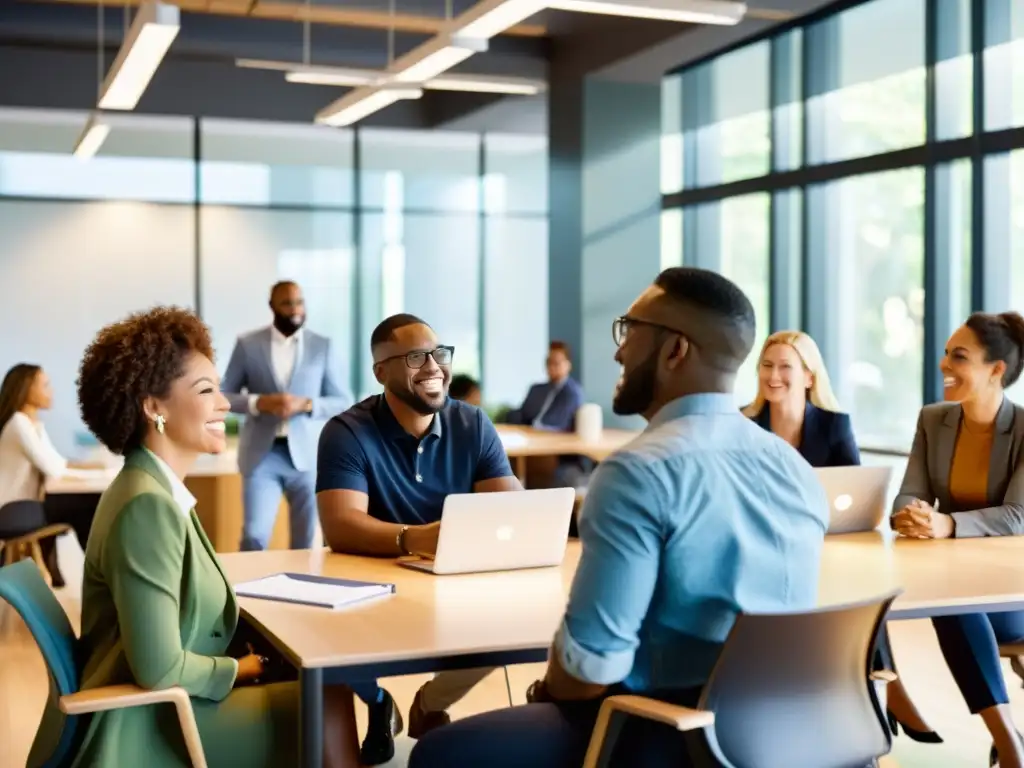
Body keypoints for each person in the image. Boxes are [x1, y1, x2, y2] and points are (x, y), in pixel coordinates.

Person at [407, 267, 829, 768]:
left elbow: (588, 671)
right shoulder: (795, 470)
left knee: (439, 754)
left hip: (660, 732)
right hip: (781, 730)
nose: (618, 351)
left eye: (629, 330)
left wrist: (548, 688)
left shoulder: (638, 472)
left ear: (675, 350)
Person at [27, 306, 361, 768]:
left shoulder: (154, 489)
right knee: (328, 700)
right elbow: (159, 667)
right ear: (153, 407)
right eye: (207, 391)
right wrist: (246, 667)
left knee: (323, 686)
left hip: (167, 705)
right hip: (153, 724)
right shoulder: (147, 505)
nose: (225, 403)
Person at [316, 313, 522, 766]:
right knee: (322, 644)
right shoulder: (347, 431)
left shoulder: (473, 424)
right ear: (381, 372)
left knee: (515, 623)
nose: (433, 367)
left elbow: (510, 512)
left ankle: (429, 704)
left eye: (438, 354)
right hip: (374, 583)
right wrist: (416, 538)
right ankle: (375, 699)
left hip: (454, 579)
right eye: (415, 357)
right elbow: (341, 524)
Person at [889, 311, 1024, 767]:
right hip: (957, 582)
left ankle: (1006, 742)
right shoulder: (934, 419)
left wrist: (948, 525)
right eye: (946, 354)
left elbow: (1018, 515)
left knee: (955, 605)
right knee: (951, 603)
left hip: (1013, 594)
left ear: (996, 370)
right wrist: (912, 513)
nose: (944, 364)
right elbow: (910, 490)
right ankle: (1009, 739)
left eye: (959, 357)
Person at [221, 280, 352, 551]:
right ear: (272, 306)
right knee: (255, 536)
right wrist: (260, 402)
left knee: (306, 541)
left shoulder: (322, 346)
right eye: (287, 303)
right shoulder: (247, 344)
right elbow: (223, 396)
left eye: (299, 302)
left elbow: (343, 401)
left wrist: (306, 404)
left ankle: (301, 590)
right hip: (262, 456)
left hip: (307, 458)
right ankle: (246, 592)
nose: (295, 309)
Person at [0, 363, 90, 586]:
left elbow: (57, 463)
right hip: (11, 511)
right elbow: (54, 469)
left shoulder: (31, 425)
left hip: (21, 507)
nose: (51, 392)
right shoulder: (18, 424)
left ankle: (95, 575)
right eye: (45, 385)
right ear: (26, 388)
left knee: (83, 505)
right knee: (86, 506)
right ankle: (101, 577)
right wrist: (91, 477)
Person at [742, 330, 860, 467]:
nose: (773, 376)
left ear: (809, 378)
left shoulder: (834, 426)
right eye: (767, 365)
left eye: (785, 366)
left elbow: (855, 485)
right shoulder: (742, 424)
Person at [506, 342, 590, 489]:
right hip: (529, 448)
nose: (552, 367)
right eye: (549, 362)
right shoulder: (537, 389)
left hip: (557, 456)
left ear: (568, 365)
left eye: (557, 363)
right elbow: (521, 415)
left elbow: (557, 425)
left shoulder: (572, 392)